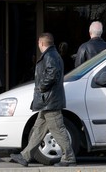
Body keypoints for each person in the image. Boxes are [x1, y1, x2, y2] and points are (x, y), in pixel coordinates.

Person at [10, 33, 76, 167]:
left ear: (41, 43)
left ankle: (68, 157)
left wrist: (41, 87)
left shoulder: (50, 56)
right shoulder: (52, 55)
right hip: (47, 101)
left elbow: (52, 73)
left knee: (57, 129)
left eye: (38, 43)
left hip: (49, 101)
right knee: (38, 129)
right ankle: (25, 156)